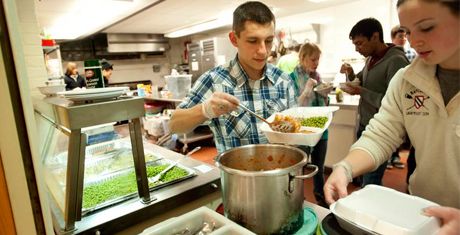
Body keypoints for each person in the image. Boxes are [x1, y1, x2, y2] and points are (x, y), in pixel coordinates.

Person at [325, 1, 459, 234]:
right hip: (421, 214)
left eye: (426, 27)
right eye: (408, 31)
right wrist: (345, 168)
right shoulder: (407, 79)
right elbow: (381, 135)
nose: (414, 41)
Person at [169, 1, 296, 153]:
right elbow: (174, 125)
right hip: (238, 175)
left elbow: (295, 130)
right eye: (252, 41)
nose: (263, 51)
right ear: (234, 39)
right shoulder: (214, 80)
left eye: (268, 41)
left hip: (281, 173)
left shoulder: (284, 80)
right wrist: (205, 110)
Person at [339, 18, 410, 187]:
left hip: (381, 129)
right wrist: (350, 73)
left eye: (360, 43)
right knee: (366, 178)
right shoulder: (370, 59)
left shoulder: (396, 61)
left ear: (375, 37)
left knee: (370, 181)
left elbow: (395, 103)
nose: (357, 49)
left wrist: (361, 92)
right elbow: (360, 81)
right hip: (364, 123)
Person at [290, 42, 332, 207]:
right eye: (313, 59)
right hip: (302, 130)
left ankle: (322, 201)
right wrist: (307, 89)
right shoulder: (291, 78)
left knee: (319, 168)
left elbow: (324, 105)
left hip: (321, 128)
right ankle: (296, 200)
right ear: (302, 58)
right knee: (298, 168)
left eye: (318, 60)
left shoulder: (318, 76)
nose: (316, 63)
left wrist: (325, 95)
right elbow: (293, 108)